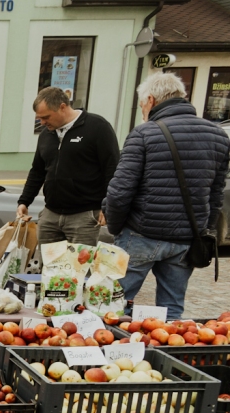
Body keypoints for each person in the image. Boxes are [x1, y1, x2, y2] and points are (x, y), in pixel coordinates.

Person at [103, 71, 230, 320]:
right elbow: (215, 195)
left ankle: (111, 354)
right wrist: (204, 229)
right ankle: (165, 354)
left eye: (142, 105)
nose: (142, 111)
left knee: (111, 305)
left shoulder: (144, 134)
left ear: (150, 100)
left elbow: (119, 192)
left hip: (141, 234)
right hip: (186, 239)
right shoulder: (218, 135)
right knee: (172, 310)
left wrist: (117, 228)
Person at [17, 87, 121, 245]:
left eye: (46, 117)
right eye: (39, 118)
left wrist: (109, 207)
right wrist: (24, 201)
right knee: (50, 267)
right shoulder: (46, 134)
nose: (42, 123)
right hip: (50, 214)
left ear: (62, 107)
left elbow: (112, 169)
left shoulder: (97, 127)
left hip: (84, 216)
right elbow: (37, 171)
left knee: (79, 267)